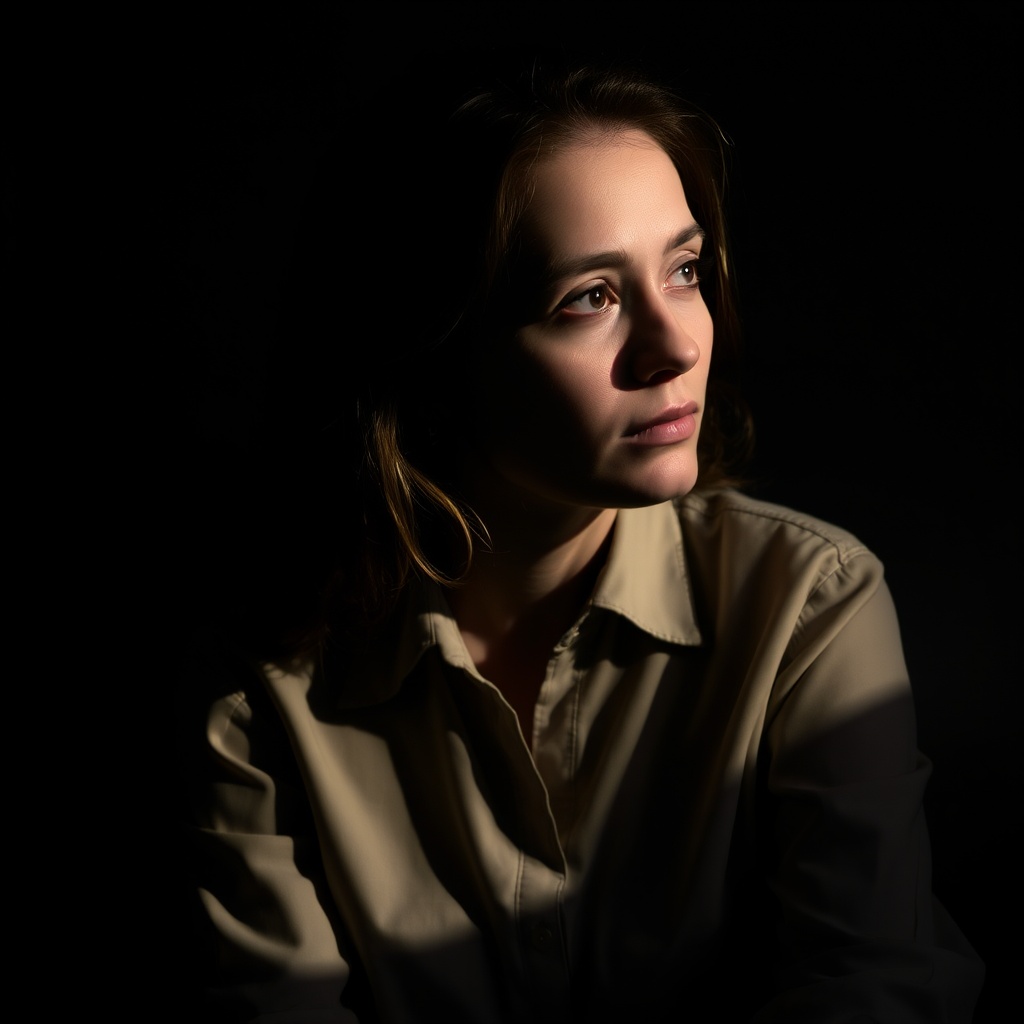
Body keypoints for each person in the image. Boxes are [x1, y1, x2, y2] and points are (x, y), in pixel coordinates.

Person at [174, 50, 986, 1022]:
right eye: (588, 297)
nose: (676, 344)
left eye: (684, 270)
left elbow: (866, 990)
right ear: (428, 348)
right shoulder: (251, 668)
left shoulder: (808, 603)